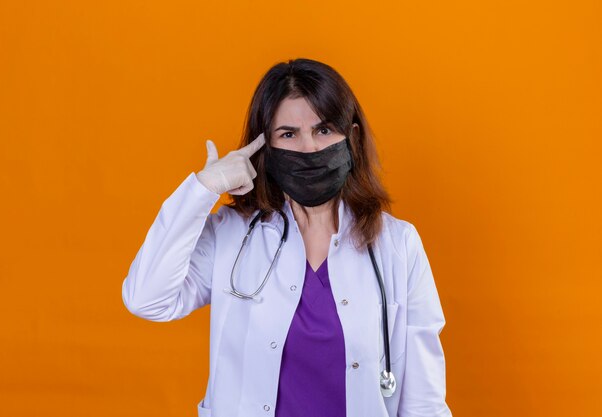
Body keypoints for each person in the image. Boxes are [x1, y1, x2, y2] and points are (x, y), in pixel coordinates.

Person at [122, 58, 453, 417]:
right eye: (288, 134)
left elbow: (424, 402)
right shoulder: (233, 234)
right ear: (267, 147)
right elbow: (146, 298)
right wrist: (203, 189)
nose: (309, 147)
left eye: (324, 130)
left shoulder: (397, 245)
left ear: (351, 138)